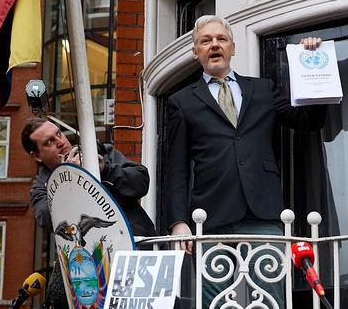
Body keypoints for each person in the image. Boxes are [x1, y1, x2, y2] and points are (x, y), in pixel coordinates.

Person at [165, 15, 326, 308]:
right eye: (206, 40)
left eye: (221, 39)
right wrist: (178, 221)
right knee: (214, 302)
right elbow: (175, 167)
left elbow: (307, 121)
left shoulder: (262, 90)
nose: (214, 45)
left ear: (232, 48)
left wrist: (311, 65)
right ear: (195, 52)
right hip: (210, 215)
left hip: (262, 212)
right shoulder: (182, 101)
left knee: (270, 298)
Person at [21, 118, 155, 309]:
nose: (60, 142)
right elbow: (48, 218)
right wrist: (69, 180)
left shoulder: (100, 152)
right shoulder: (41, 188)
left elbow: (141, 181)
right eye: (49, 142)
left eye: (58, 134)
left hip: (136, 256)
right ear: (37, 156)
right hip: (91, 275)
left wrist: (105, 169)